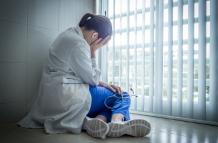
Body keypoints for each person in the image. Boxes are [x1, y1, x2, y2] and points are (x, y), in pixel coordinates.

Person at [17, 13, 151, 139]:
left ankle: (99, 122)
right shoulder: (79, 44)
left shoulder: (67, 34)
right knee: (122, 96)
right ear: (95, 36)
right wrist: (93, 52)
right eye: (101, 44)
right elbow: (92, 80)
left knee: (108, 104)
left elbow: (80, 73)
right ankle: (117, 123)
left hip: (54, 96)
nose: (99, 47)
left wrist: (104, 84)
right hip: (68, 97)